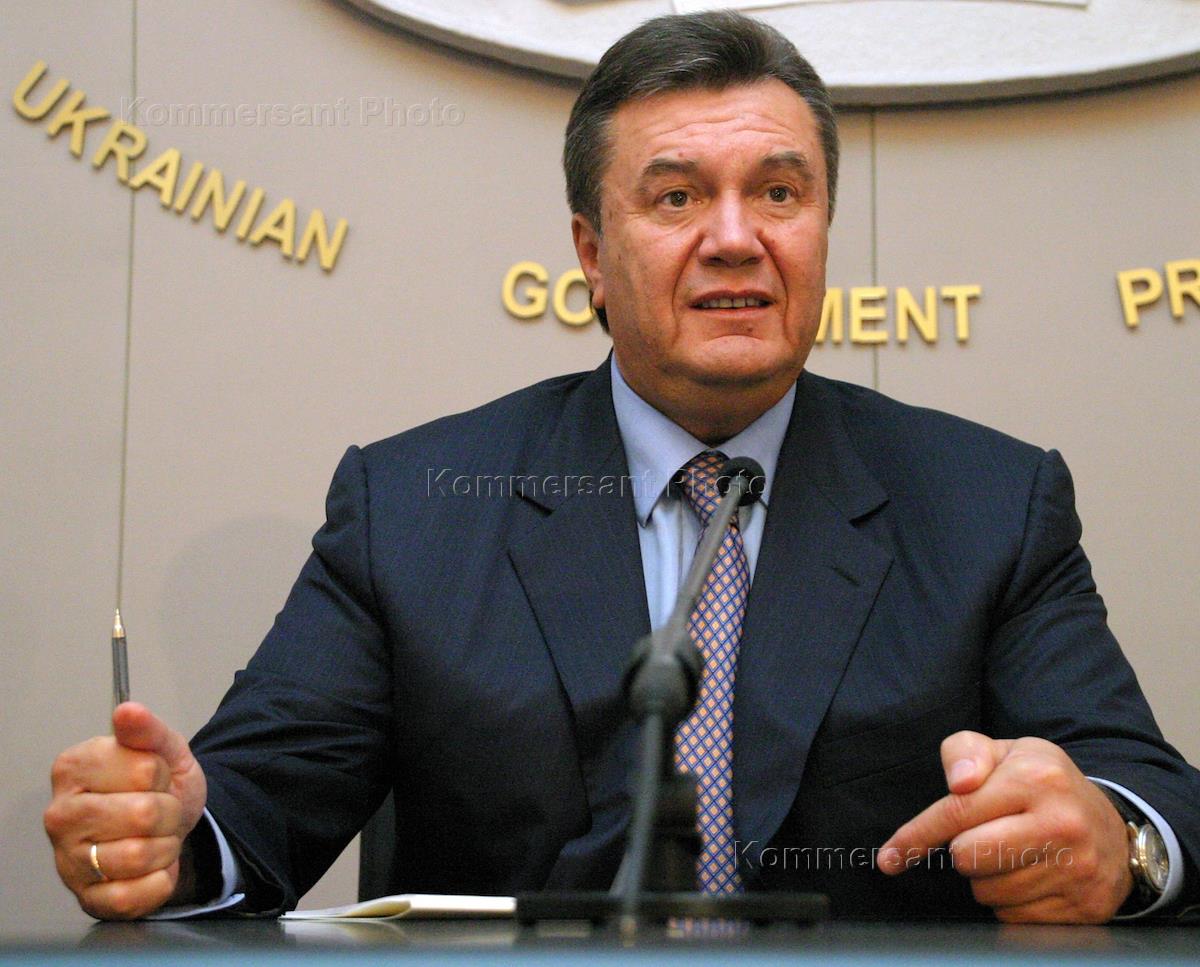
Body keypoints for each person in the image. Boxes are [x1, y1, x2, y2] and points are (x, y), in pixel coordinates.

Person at [46, 12, 1199, 923]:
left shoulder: (990, 504)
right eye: (678, 196)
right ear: (592, 256)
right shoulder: (413, 508)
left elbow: (1153, 801)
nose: (736, 238)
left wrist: (1119, 844)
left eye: (780, 193)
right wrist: (164, 841)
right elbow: (248, 816)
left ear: (821, 233)